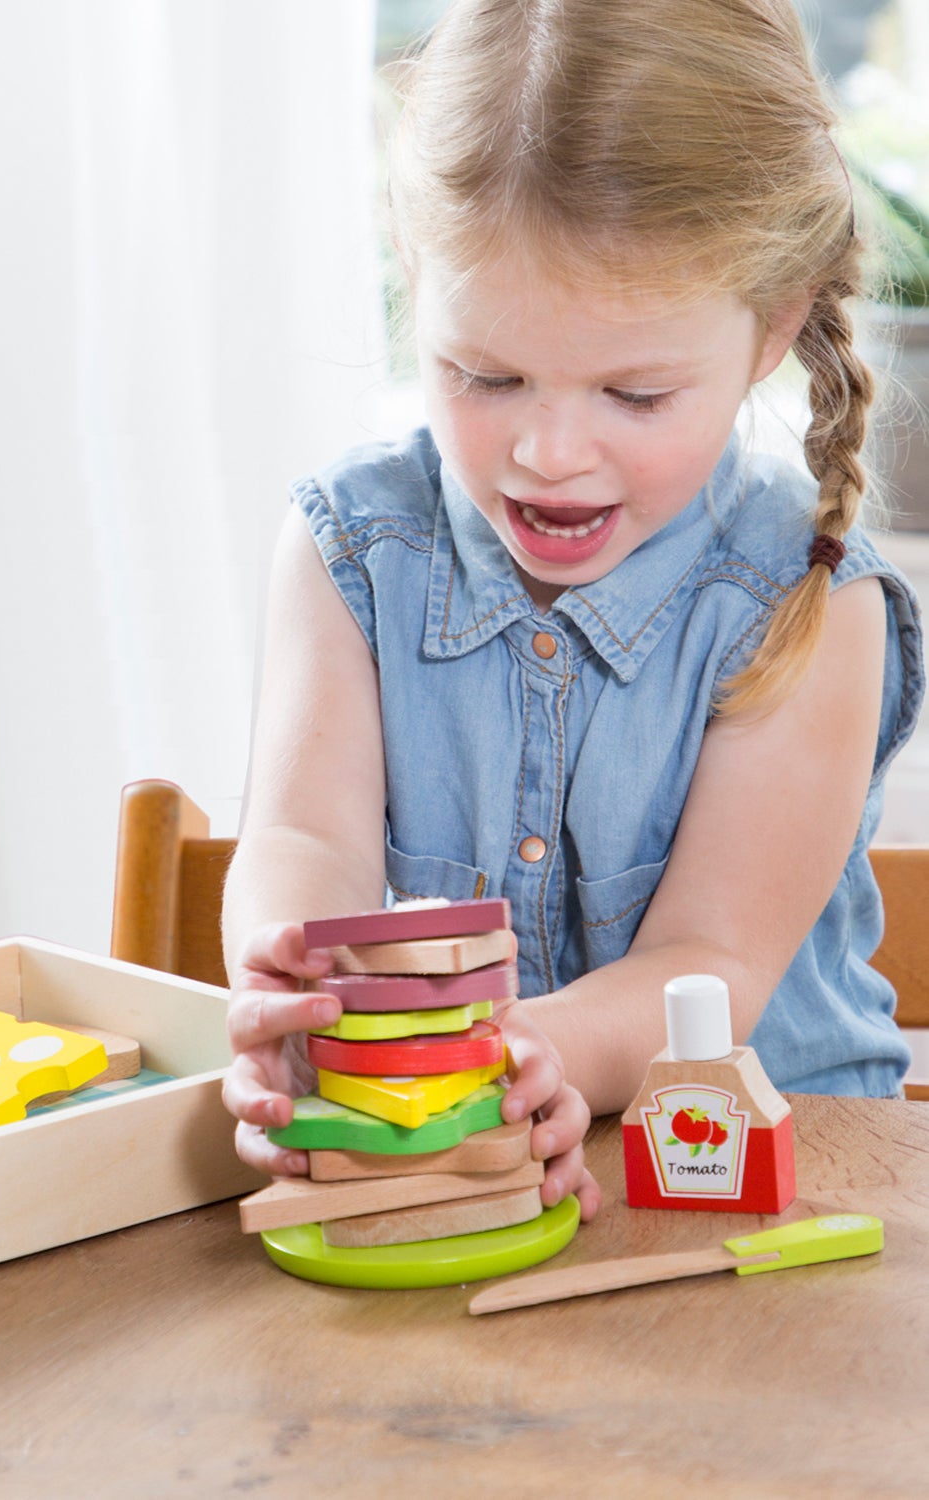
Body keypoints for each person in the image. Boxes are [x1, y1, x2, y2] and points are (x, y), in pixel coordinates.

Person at [220, 0, 924, 1221]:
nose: (548, 453)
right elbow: (306, 842)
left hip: (780, 1187)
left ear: (769, 330)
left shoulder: (809, 600)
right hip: (465, 1162)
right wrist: (292, 980)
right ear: (413, 274)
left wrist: (512, 1056)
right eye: (485, 375)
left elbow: (712, 962)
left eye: (634, 394)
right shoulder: (352, 551)